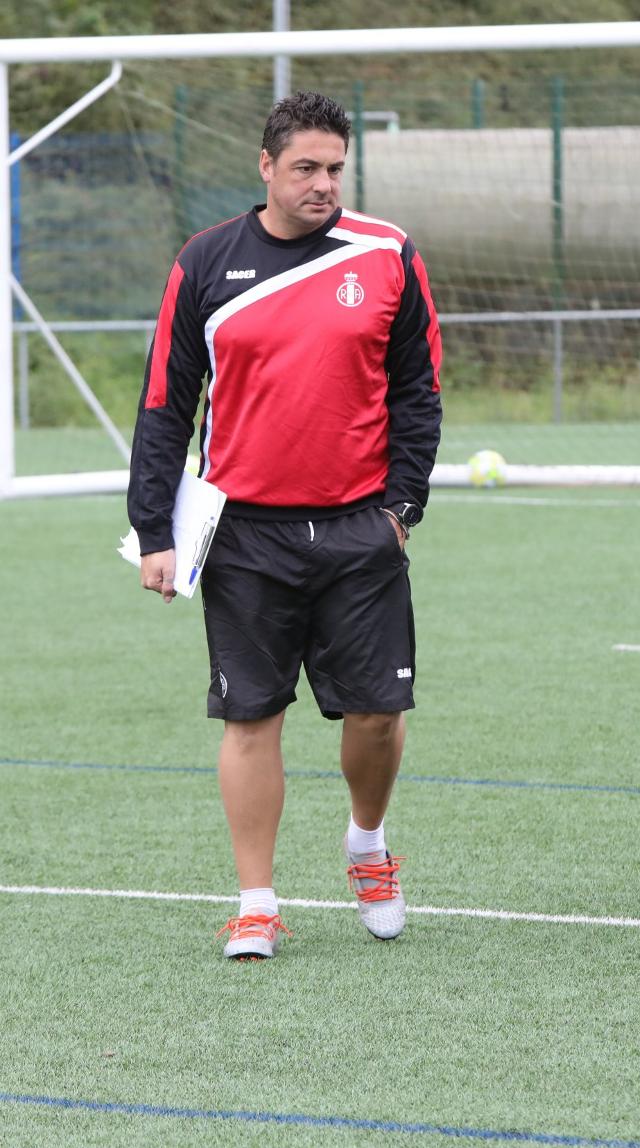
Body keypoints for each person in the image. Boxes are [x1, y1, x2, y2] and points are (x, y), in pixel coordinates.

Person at [127, 91, 443, 960]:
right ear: (265, 167)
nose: (322, 184)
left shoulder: (387, 256)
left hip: (359, 530)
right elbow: (165, 403)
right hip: (243, 534)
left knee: (378, 714)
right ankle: (256, 900)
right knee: (251, 718)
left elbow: (420, 391)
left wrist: (402, 508)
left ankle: (368, 846)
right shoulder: (205, 263)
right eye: (305, 167)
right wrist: (153, 530)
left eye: (335, 169)